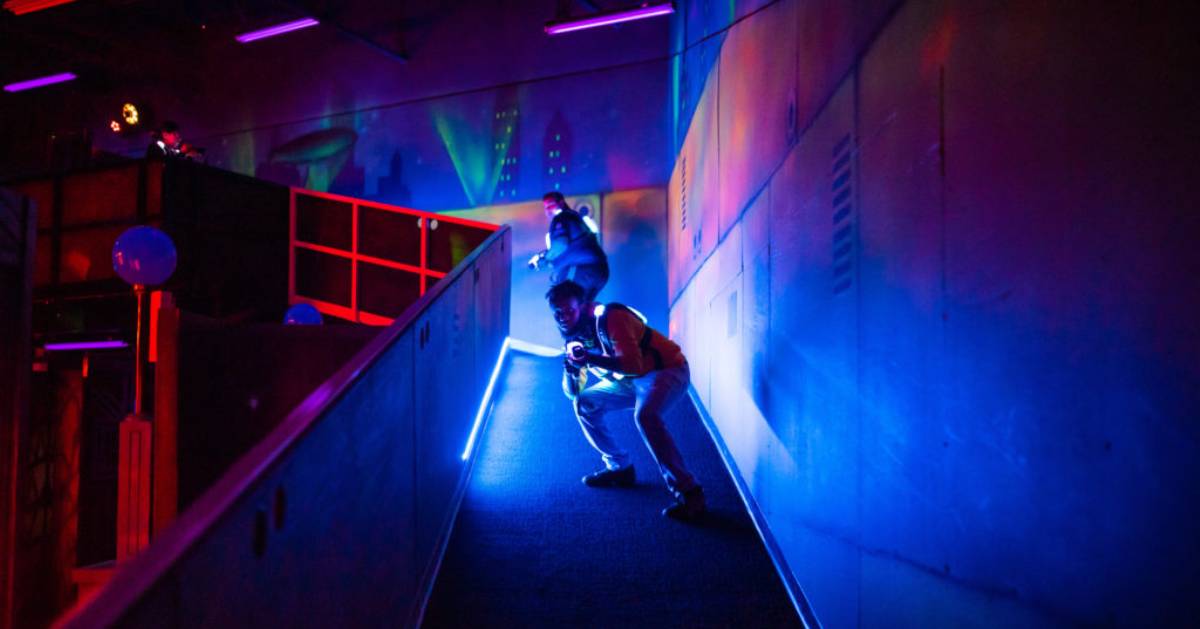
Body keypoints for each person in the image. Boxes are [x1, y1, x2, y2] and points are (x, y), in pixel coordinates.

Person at [547, 280, 705, 521]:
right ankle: (619, 468)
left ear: (583, 305)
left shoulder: (612, 317)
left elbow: (633, 364)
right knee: (584, 404)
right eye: (558, 313)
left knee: (646, 416)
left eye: (569, 310)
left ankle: (689, 493)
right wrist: (571, 369)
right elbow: (573, 392)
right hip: (632, 380)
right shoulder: (573, 340)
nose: (563, 318)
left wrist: (589, 359)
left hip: (667, 370)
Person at [528, 192, 609, 302]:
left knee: (566, 303)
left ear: (561, 202)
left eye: (550, 205)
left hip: (582, 270)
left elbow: (560, 245)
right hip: (600, 270)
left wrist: (544, 260)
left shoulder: (561, 218)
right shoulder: (575, 217)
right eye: (545, 207)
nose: (547, 210)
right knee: (584, 307)